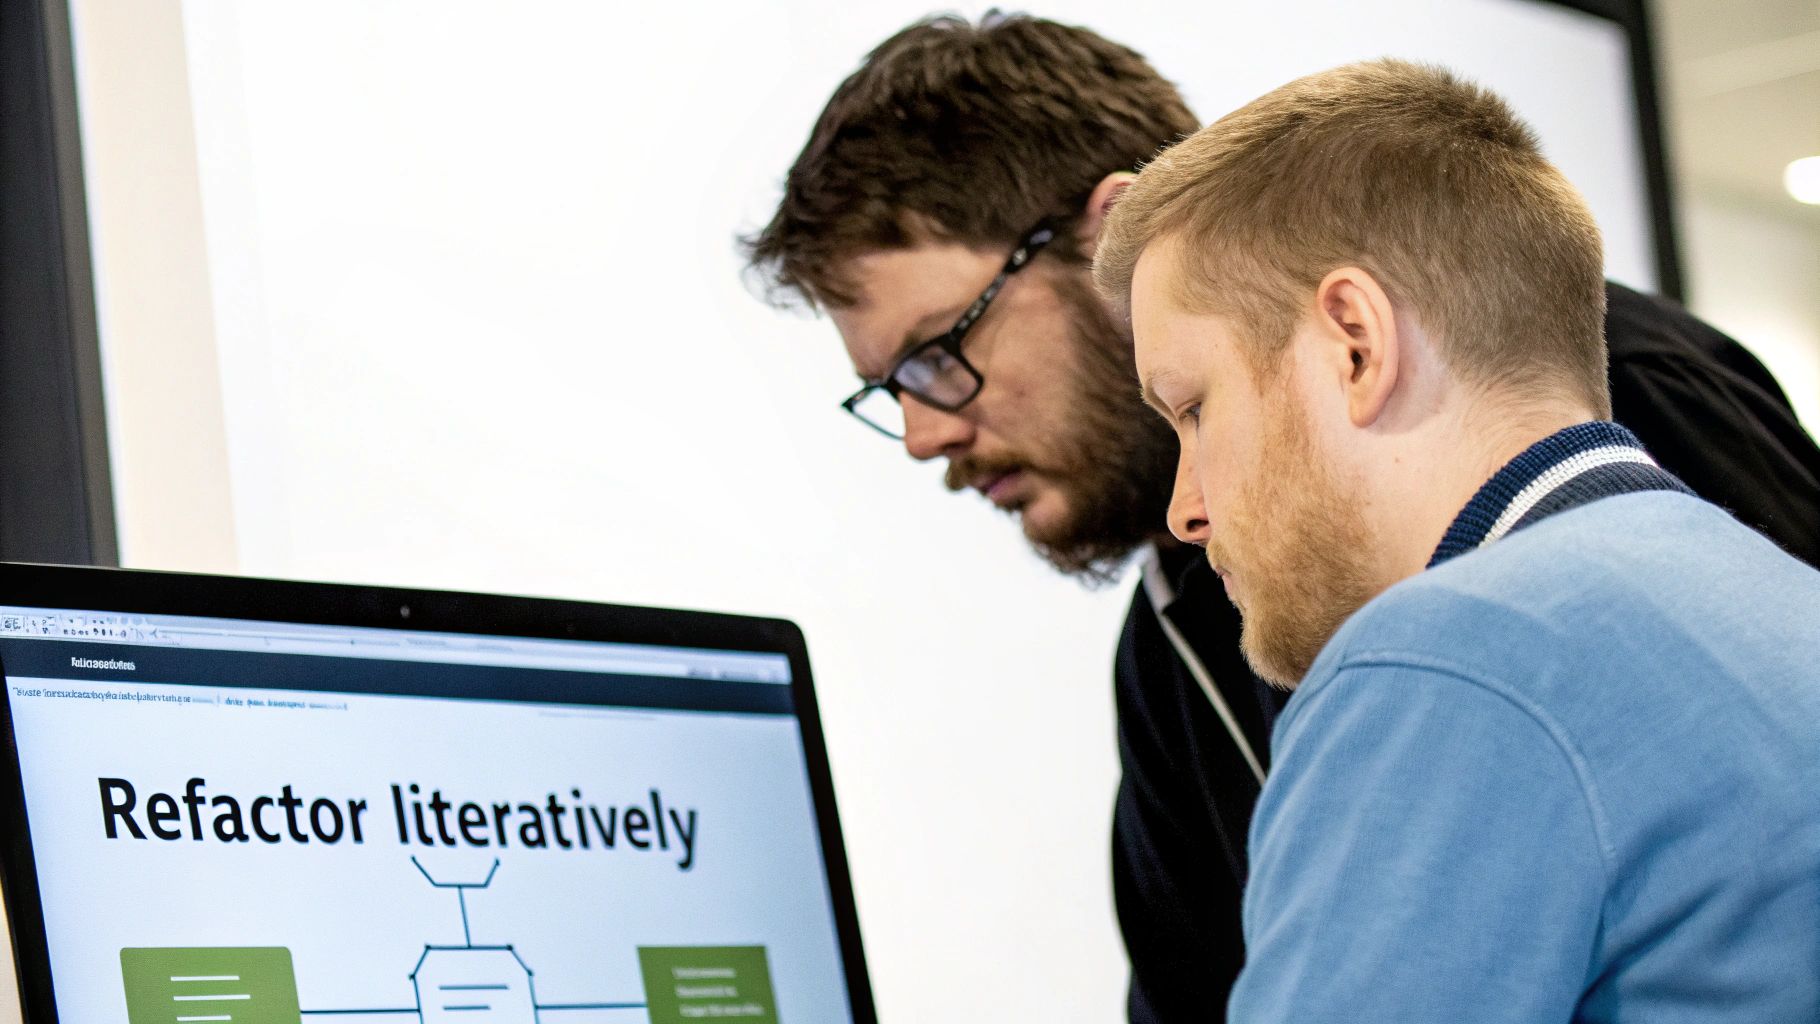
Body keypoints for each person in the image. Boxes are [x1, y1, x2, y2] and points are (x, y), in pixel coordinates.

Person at [741, 15, 1820, 1021]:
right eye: (893, 392)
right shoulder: (1174, 636)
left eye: (940, 355)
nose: (925, 435)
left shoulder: (1459, 629)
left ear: (1355, 340)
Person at [1094, 57, 1820, 1021]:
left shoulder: (1439, 667)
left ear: (1355, 342)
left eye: (1192, 409)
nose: (1187, 508)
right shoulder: (1773, 592)